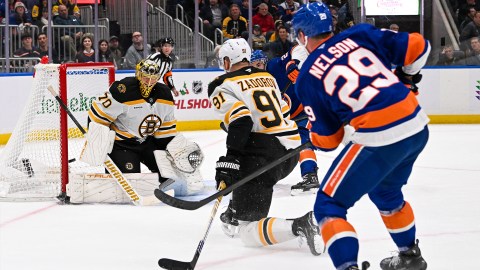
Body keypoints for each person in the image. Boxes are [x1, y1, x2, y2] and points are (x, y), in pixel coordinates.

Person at [292, 3, 430, 270]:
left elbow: (330, 140)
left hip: (380, 135)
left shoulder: (307, 76)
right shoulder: (358, 34)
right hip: (417, 124)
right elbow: (419, 46)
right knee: (386, 192)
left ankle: (348, 267)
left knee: (329, 206)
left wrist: (315, 137)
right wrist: (407, 76)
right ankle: (410, 257)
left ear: (302, 35)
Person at [207, 38, 323, 256]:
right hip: (290, 152)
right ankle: (235, 208)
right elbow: (283, 109)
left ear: (225, 61)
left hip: (263, 156)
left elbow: (241, 120)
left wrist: (231, 157)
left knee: (248, 232)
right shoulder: (267, 77)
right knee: (242, 171)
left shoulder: (220, 84)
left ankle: (299, 224)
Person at [82, 54, 205, 196]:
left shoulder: (165, 94)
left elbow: (165, 131)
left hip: (148, 143)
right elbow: (97, 114)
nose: (149, 82)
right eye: (146, 77)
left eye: (153, 78)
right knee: (129, 184)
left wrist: (174, 152)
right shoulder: (123, 90)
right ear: (138, 75)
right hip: (122, 145)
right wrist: (97, 139)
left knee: (172, 179)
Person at [264, 44, 320, 196]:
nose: (257, 67)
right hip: (283, 118)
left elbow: (297, 49)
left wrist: (292, 63)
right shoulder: (255, 84)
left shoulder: (274, 66)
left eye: (258, 64)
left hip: (303, 111)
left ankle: (310, 175)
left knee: (303, 140)